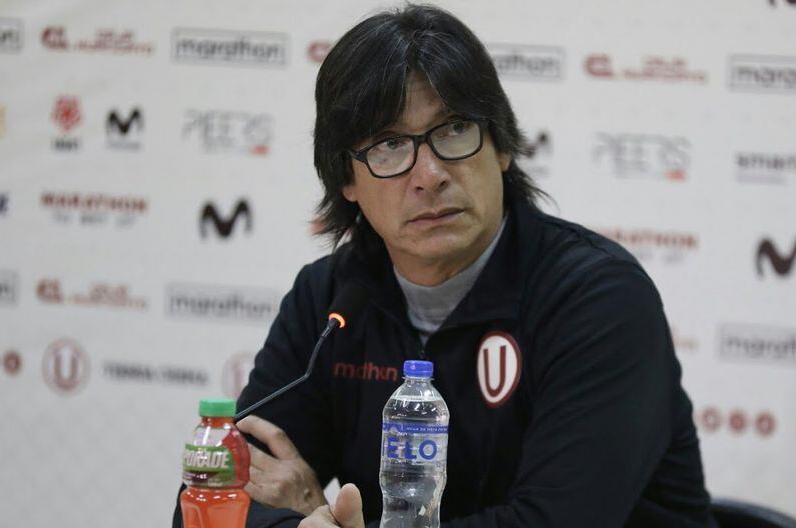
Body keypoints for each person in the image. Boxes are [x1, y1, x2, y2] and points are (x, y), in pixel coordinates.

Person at [174, 4, 715, 527]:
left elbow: (555, 520)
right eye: (389, 144)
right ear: (346, 180)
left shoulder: (597, 298)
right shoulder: (330, 300)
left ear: (501, 146)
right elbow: (209, 498)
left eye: (454, 128)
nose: (429, 175)